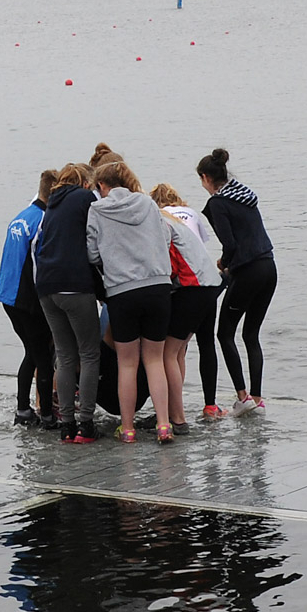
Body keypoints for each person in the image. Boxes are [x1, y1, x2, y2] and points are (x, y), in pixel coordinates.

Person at [87, 161, 175, 443]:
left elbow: (91, 253)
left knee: (127, 363)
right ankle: (164, 425)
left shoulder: (97, 209)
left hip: (122, 290)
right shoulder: (148, 204)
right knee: (155, 360)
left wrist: (113, 262)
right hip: (158, 286)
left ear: (102, 186)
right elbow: (166, 236)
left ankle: (127, 428)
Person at [198, 148, 276, 416]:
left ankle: (243, 398)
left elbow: (230, 243)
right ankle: (257, 398)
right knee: (251, 334)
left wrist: (223, 263)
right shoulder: (245, 194)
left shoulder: (217, 204)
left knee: (224, 333)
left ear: (206, 178)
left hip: (248, 271)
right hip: (269, 267)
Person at [34, 163, 100, 441]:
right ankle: (85, 423)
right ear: (86, 182)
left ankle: (66, 425)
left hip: (46, 287)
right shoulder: (85, 198)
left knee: (64, 355)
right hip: (74, 285)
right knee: (89, 354)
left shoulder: (51, 204)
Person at [153, 183, 223, 425]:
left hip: (194, 287)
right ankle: (177, 406)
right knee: (180, 350)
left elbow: (170, 267)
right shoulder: (184, 218)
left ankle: (177, 417)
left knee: (167, 353)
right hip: (211, 283)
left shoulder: (162, 223)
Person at [0, 173, 56, 427]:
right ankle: (46, 416)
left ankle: (23, 408)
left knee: (32, 352)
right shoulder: (44, 220)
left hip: (7, 293)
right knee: (43, 357)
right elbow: (40, 263)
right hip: (26, 296)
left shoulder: (22, 215)